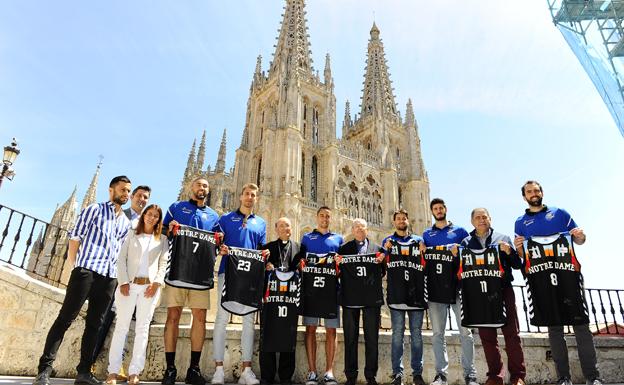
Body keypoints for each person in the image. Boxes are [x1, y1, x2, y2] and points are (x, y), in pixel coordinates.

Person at [32, 176, 133, 385]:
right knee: (65, 319)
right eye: (123, 190)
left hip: (109, 277)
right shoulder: (94, 210)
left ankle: (84, 372)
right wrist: (76, 266)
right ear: (111, 190)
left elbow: (120, 252)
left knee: (95, 325)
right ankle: (44, 370)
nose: (126, 194)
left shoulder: (125, 222)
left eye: (128, 191)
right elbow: (75, 238)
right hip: (86, 271)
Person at [513, 181, 602, 385]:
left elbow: (580, 240)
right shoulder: (520, 222)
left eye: (536, 190)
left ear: (542, 192)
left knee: (581, 325)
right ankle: (564, 378)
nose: (533, 194)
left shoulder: (560, 212)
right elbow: (523, 255)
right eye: (529, 192)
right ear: (524, 197)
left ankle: (593, 377)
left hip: (568, 276)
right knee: (554, 329)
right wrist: (519, 248)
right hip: (542, 279)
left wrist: (580, 236)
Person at [161, 177, 220, 385]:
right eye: (198, 185)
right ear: (190, 187)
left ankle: (193, 369)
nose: (202, 188)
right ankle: (169, 369)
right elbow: (162, 230)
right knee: (173, 317)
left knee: (200, 319)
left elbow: (218, 241)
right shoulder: (177, 207)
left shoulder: (213, 216)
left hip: (200, 275)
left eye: (205, 186)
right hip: (177, 270)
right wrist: (170, 229)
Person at [92, 185, 152, 378]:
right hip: (116, 277)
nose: (142, 200)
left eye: (145, 198)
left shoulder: (145, 222)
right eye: (139, 196)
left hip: (137, 282)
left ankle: (121, 366)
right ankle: (90, 362)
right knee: (104, 319)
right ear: (132, 196)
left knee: (129, 324)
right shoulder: (120, 215)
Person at [461, 208, 525, 385]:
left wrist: (510, 252)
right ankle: (495, 376)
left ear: (490, 219)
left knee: (511, 333)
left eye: (484, 217)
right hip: (479, 294)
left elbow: (518, 265)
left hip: (503, 289)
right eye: (477, 218)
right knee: (487, 337)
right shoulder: (465, 243)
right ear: (472, 221)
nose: (481, 220)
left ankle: (518, 376)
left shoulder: (503, 238)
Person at [106, 204, 168, 385]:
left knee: (142, 329)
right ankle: (113, 371)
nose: (152, 218)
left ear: (159, 219)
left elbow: (163, 263)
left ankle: (134, 371)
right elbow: (120, 259)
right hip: (129, 286)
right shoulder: (131, 234)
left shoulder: (162, 239)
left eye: (156, 216)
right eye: (149, 214)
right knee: (121, 328)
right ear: (144, 216)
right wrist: (124, 282)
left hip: (149, 288)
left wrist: (156, 283)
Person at [212, 183, 266, 385]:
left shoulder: (260, 223)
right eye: (247, 194)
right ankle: (218, 369)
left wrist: (265, 255)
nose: (250, 197)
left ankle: (246, 370)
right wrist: (221, 249)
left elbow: (261, 249)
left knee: (248, 323)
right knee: (221, 319)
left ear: (256, 198)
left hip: (250, 276)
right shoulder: (225, 219)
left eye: (253, 195)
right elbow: (215, 242)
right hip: (228, 273)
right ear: (240, 196)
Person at [422, 198, 477, 385]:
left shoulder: (460, 232)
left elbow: (471, 251)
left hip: (458, 287)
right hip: (436, 289)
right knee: (438, 334)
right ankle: (441, 375)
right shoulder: (426, 234)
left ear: (445, 209)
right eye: (435, 208)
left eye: (440, 208)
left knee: (466, 333)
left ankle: (470, 375)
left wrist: (459, 250)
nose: (438, 210)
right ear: (431, 212)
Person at [337, 219, 384, 385]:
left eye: (362, 227)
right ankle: (351, 376)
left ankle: (371, 376)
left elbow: (383, 272)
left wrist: (381, 261)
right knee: (350, 338)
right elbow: (338, 271)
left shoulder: (378, 250)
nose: (359, 229)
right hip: (350, 299)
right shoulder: (343, 250)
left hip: (371, 299)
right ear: (352, 229)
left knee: (372, 338)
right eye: (356, 227)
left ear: (367, 229)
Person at [382, 209, 426, 385]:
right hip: (396, 294)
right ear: (394, 222)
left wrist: (423, 251)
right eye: (398, 219)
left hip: (415, 295)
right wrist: (386, 252)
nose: (401, 221)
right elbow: (382, 263)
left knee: (417, 335)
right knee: (397, 335)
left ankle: (417, 373)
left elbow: (427, 264)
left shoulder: (419, 241)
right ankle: (397, 373)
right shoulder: (388, 242)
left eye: (403, 218)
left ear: (408, 220)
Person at [301, 206, 344, 385]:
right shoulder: (306, 238)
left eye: (327, 216)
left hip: (331, 290)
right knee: (310, 329)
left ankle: (329, 372)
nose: (325, 219)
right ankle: (312, 372)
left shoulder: (338, 239)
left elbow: (342, 265)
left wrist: (340, 263)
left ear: (331, 219)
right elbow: (300, 261)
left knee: (331, 331)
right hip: (311, 290)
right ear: (317, 217)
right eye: (322, 216)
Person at [259, 217, 303, 385]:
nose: (286, 228)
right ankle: (267, 375)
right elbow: (258, 267)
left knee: (289, 335)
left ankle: (286, 376)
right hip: (270, 299)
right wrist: (265, 264)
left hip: (290, 300)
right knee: (267, 334)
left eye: (288, 226)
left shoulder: (299, 248)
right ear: (276, 229)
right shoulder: (268, 248)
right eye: (282, 226)